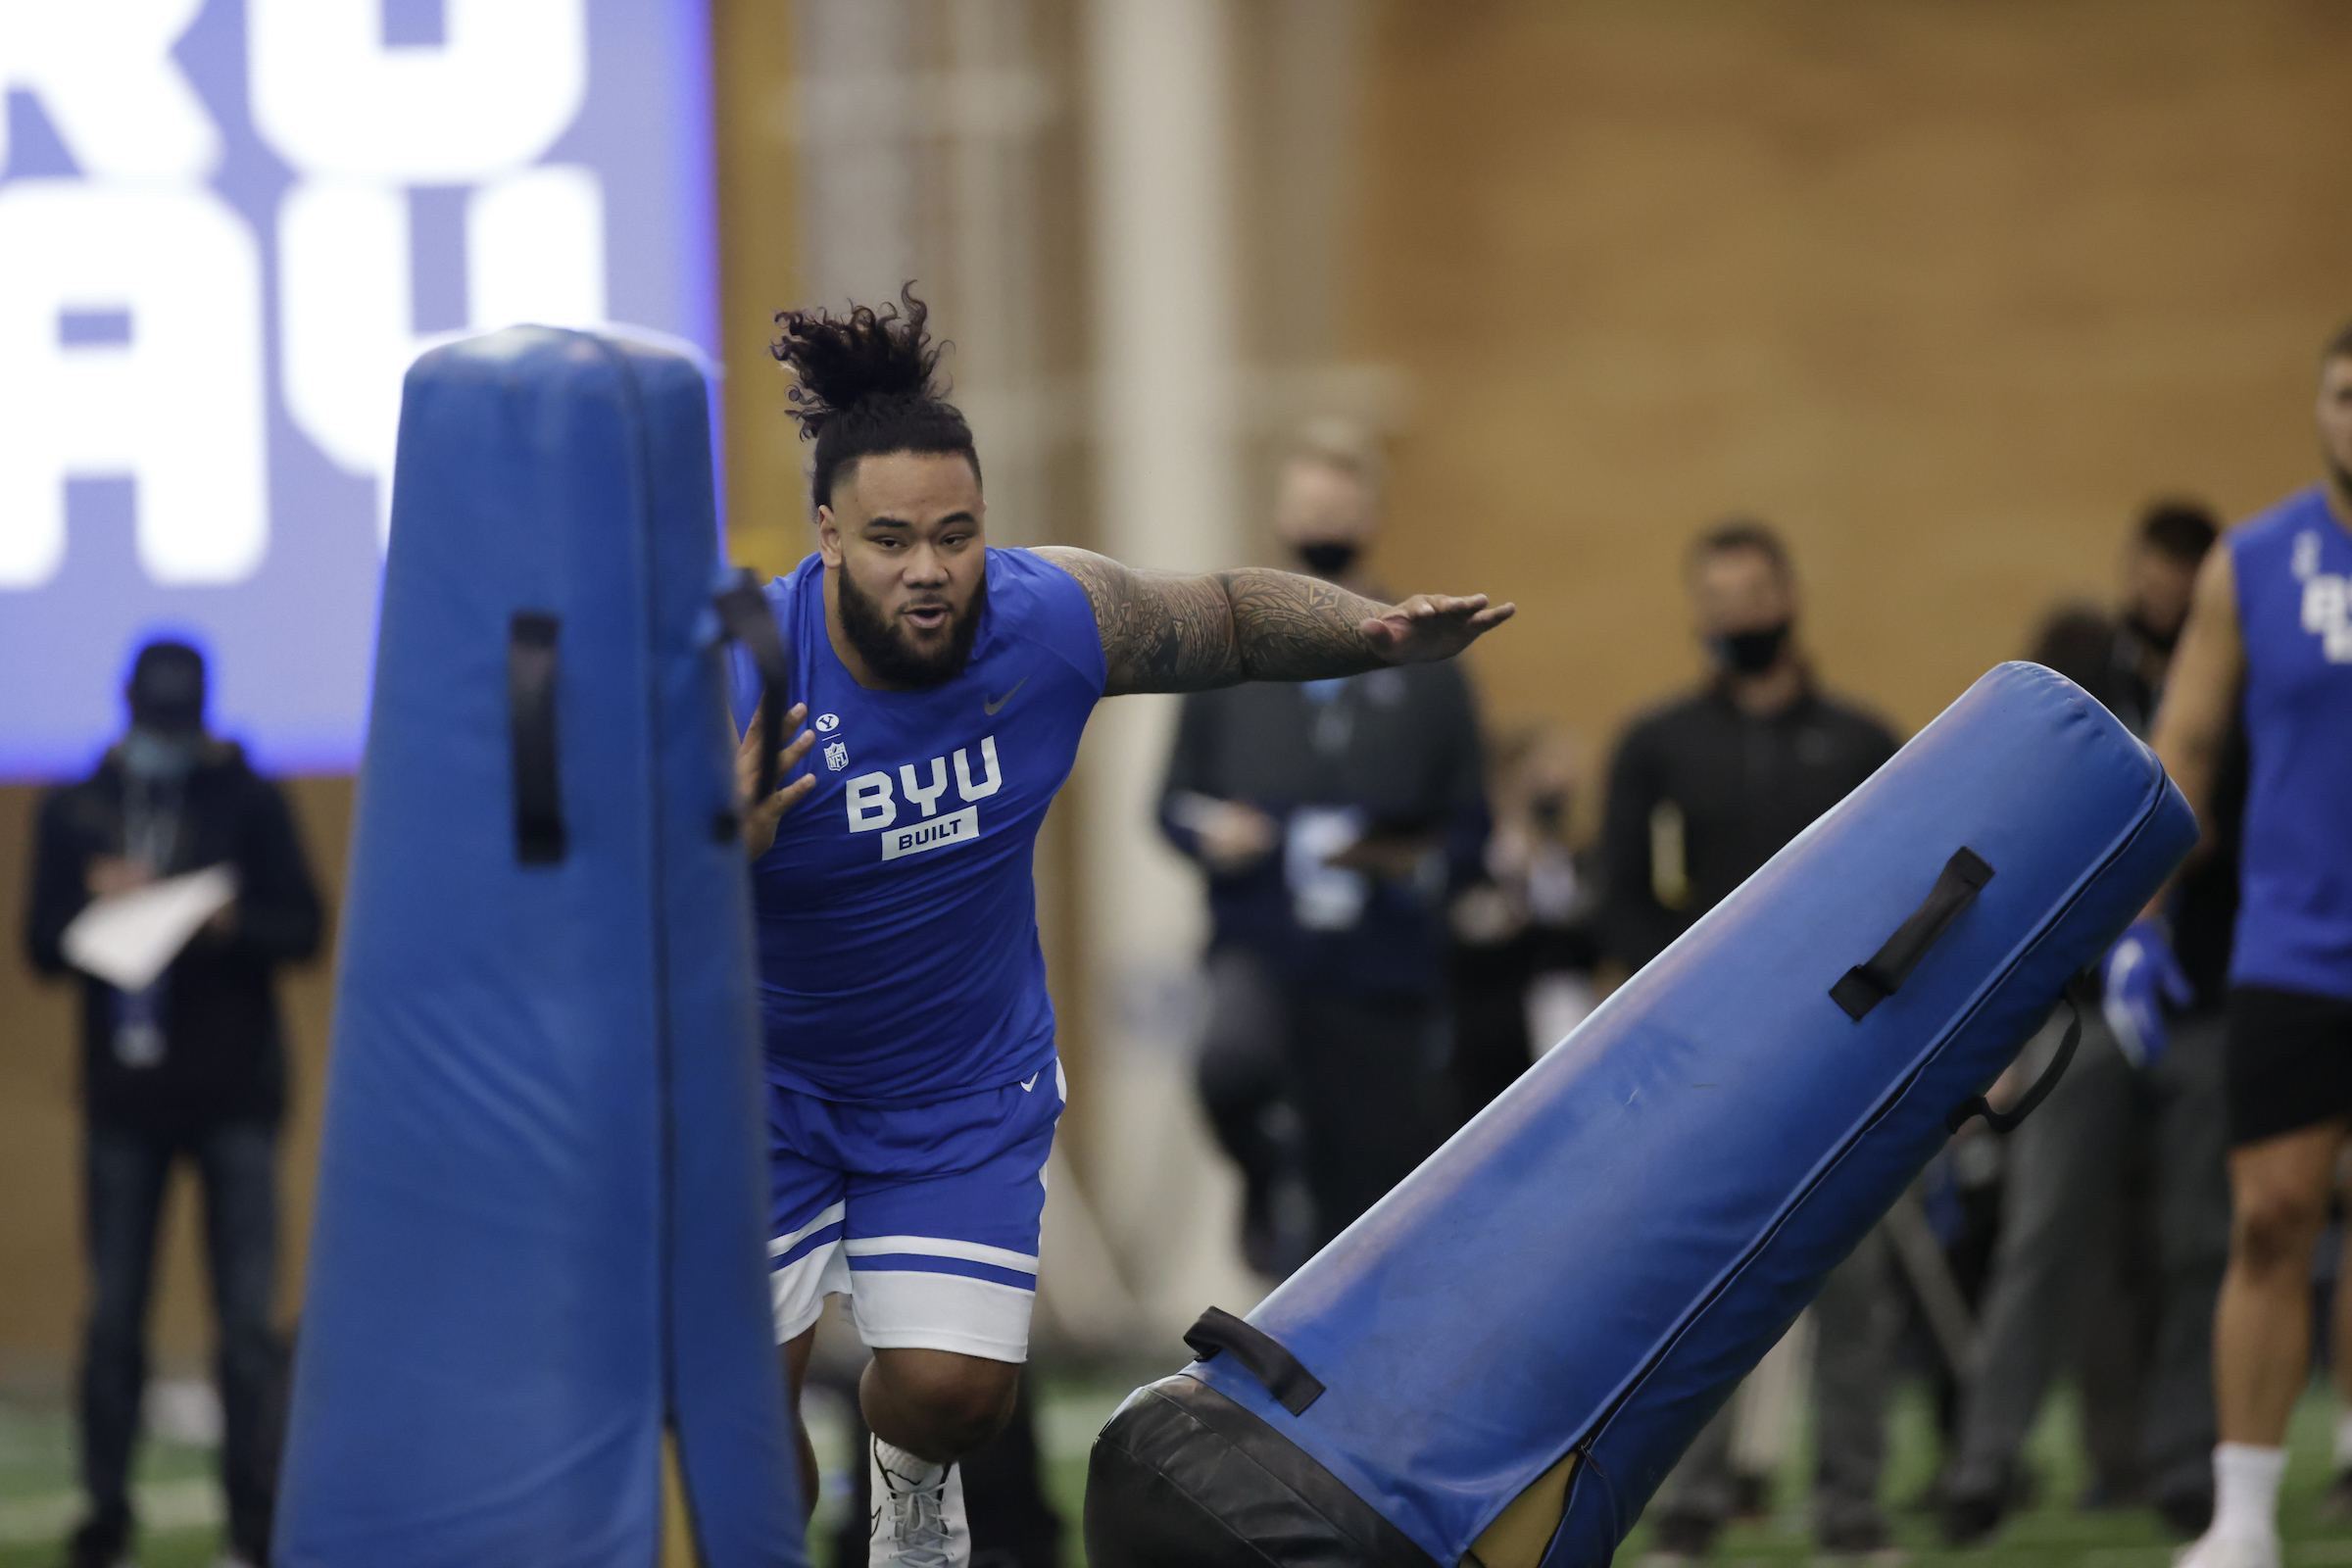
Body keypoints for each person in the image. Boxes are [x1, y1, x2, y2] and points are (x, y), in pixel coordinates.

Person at [730, 292, 1514, 1568]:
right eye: (888, 541)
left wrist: (1368, 636)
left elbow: (1221, 616)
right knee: (737, 1427)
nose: (929, 570)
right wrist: (720, 842)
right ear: (826, 534)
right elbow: (606, 875)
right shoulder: (742, 671)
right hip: (756, 1087)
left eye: (955, 535)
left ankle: (906, 1487)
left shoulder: (1044, 622)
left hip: (957, 1088)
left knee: (954, 1396)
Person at [1938, 503, 2239, 1545]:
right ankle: (1986, 1460)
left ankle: (2181, 1454)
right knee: (2043, 1235)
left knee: (2200, 1240)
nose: (2162, 589)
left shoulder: (2239, 683)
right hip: (2082, 1011)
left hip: (2208, 998)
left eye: (2183, 574)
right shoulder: (2082, 677)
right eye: (2150, 570)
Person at [1601, 520, 1902, 1560]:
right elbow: (1623, 907)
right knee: (1694, 1293)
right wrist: (1672, 1019)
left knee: (1853, 1292)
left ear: (1790, 599)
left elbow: (1912, 893)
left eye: (1751, 598)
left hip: (1847, 1055)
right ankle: (1687, 1505)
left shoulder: (1866, 744)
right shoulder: (1657, 744)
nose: (1736, 618)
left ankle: (1851, 1507)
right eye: (1715, 602)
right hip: (1705, 1060)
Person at [1157, 417, 1489, 1273]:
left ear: (1371, 521)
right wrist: (1215, 834)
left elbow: (1471, 820)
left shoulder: (1432, 670)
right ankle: (1266, 1186)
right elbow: (1168, 805)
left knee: (1370, 1195)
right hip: (1262, 945)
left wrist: (1417, 863)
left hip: (1380, 967)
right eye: (1310, 509)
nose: (1324, 529)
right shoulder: (1227, 662)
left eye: (1341, 511)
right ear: (1279, 520)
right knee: (1228, 1067)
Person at [23, 640, 324, 1568]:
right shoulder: (79, 809)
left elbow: (305, 925)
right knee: (114, 1322)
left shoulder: (249, 798)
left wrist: (222, 916)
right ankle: (104, 1523)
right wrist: (97, 908)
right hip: (124, 1100)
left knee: (243, 1330)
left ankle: (253, 1528)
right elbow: (39, 945)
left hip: (235, 1094)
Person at [2154, 322, 2352, 1568]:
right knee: (2273, 1218)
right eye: (2346, 392)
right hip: (2294, 947)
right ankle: (2242, 1519)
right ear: (2321, 407)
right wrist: (2139, 922)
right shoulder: (2252, 559)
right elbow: (2185, 747)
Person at [1446, 723, 1600, 1122]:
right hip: (1498, 1049)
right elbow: (1469, 941)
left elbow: (1595, 939)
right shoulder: (1476, 862)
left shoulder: (1572, 861)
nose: (1559, 782)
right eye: (1545, 769)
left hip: (1568, 1023)